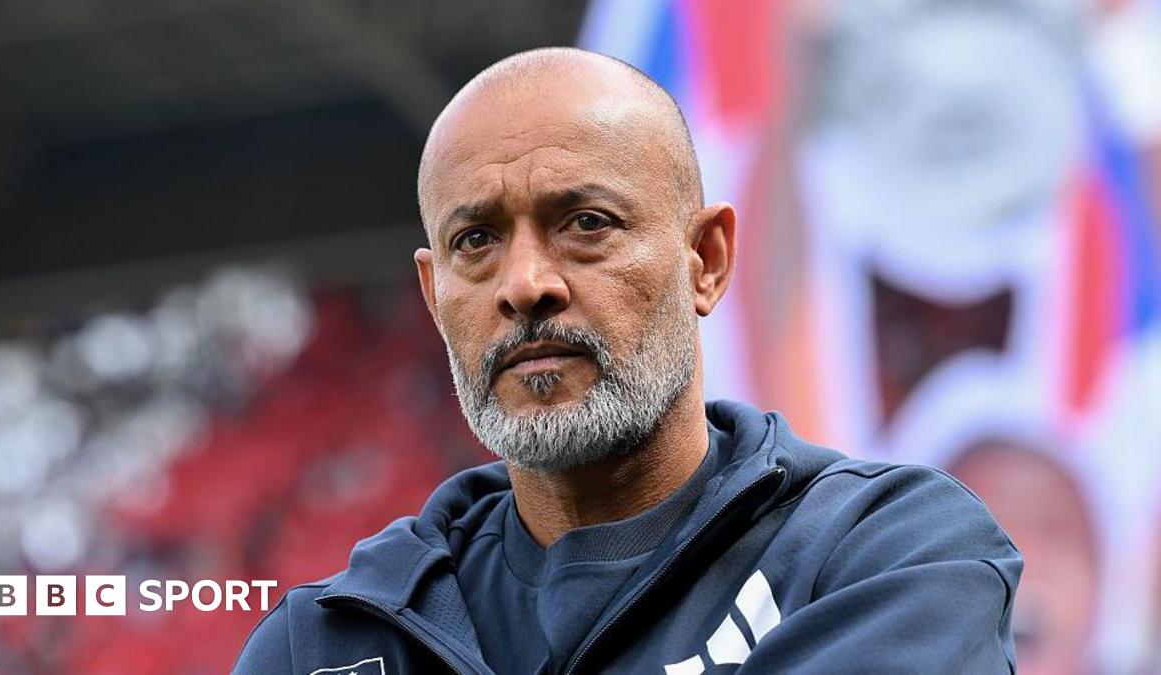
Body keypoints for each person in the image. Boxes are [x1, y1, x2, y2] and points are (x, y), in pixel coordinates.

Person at [233, 47, 1021, 675]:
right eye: (476, 240)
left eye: (585, 222)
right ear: (436, 297)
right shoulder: (325, 646)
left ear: (706, 259)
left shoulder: (891, 556)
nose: (526, 285)